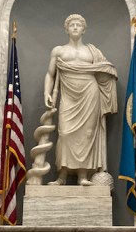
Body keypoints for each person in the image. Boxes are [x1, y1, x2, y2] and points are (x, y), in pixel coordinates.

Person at [44, 14, 118, 186]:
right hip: (68, 94)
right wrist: (47, 93)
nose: (75, 27)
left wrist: (109, 73)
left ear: (84, 29)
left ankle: (82, 176)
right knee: (65, 134)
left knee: (87, 134)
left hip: (90, 93)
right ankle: (61, 176)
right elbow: (50, 74)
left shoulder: (93, 51)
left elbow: (105, 69)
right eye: (72, 25)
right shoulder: (58, 50)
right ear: (66, 29)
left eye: (79, 24)